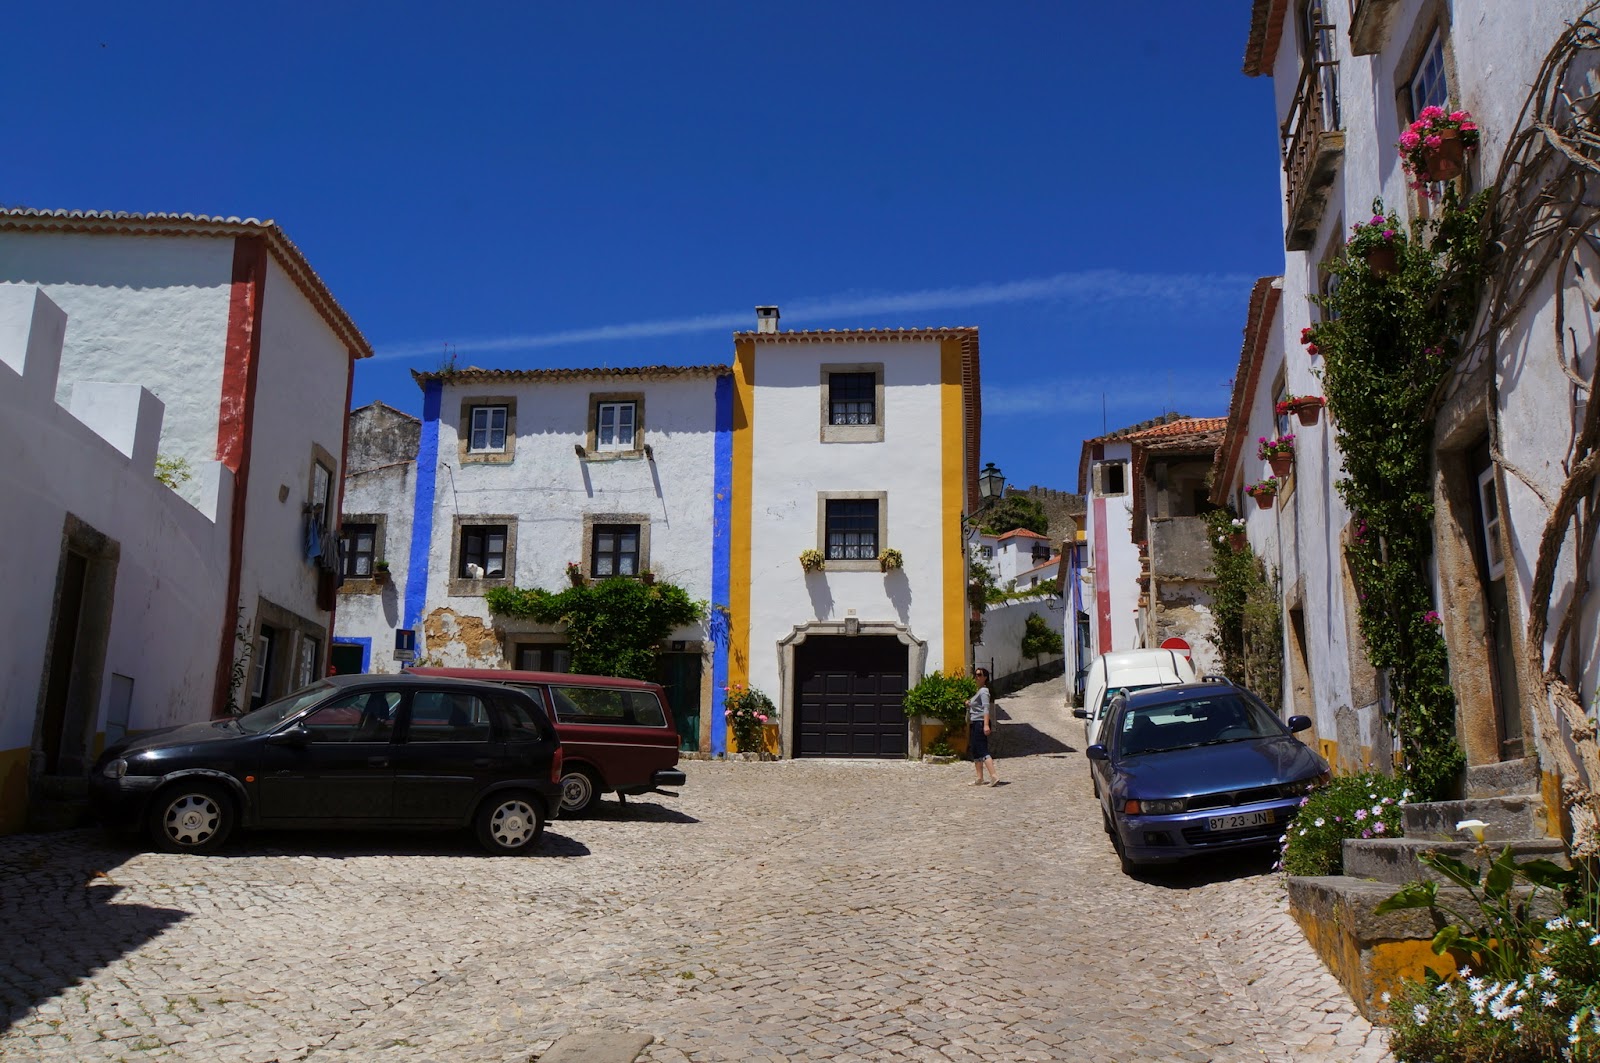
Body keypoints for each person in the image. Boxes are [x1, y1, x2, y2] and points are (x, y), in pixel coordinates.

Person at [967, 668, 999, 786]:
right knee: (975, 750)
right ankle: (979, 778)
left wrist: (986, 725)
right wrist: (969, 703)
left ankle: (994, 776)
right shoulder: (979, 691)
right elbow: (978, 705)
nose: (977, 677)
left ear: (985, 677)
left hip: (980, 723)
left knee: (982, 749)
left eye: (979, 675)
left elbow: (986, 708)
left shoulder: (984, 691)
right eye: (975, 675)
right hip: (976, 722)